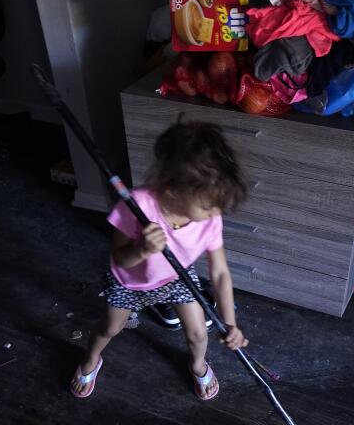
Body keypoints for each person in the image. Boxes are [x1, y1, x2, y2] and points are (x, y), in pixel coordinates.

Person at [70, 121, 249, 400]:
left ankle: (198, 364)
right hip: (129, 282)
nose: (215, 211)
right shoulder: (138, 205)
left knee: (199, 334)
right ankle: (91, 358)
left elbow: (220, 274)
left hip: (176, 277)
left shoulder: (211, 218)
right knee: (110, 328)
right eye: (207, 204)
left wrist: (230, 322)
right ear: (175, 190)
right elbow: (118, 259)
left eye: (219, 203)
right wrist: (141, 249)